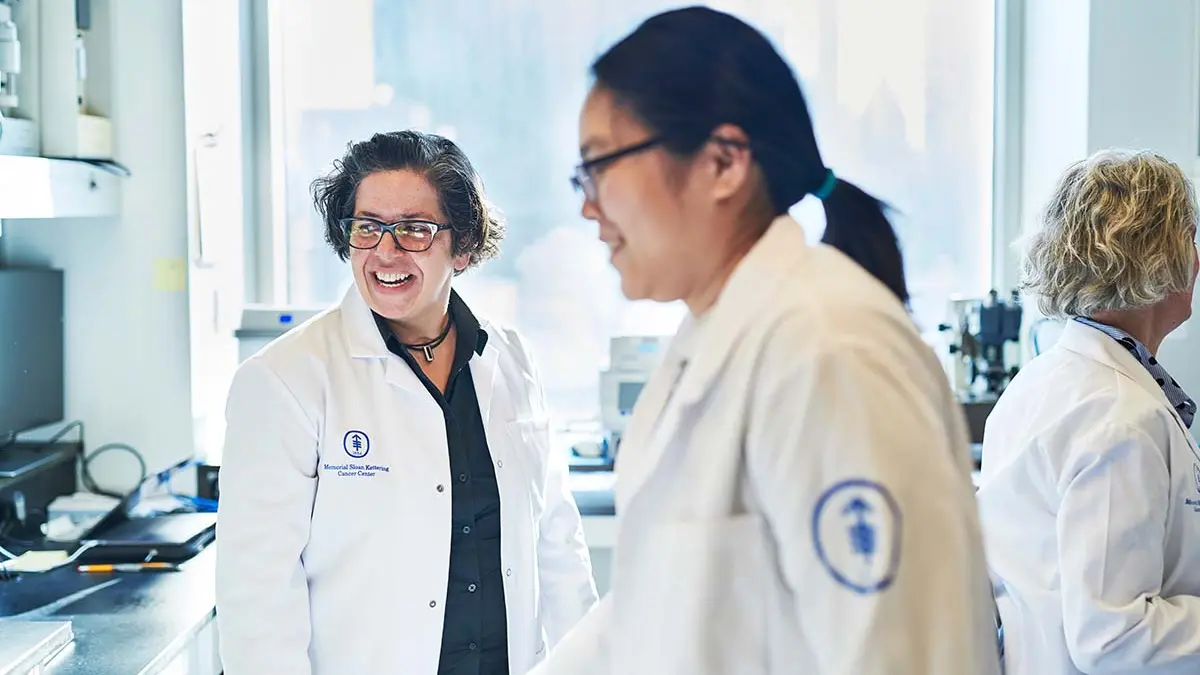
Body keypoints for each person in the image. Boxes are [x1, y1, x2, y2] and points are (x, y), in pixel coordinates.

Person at [532, 7, 1001, 675]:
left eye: (599, 165)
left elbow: (899, 652)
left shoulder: (829, 350)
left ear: (723, 162)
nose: (587, 205)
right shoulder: (713, 341)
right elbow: (647, 617)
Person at [216, 130, 599, 675]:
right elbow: (257, 593)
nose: (385, 252)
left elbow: (557, 542)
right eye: (368, 227)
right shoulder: (285, 380)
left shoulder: (511, 360)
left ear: (462, 246)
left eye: (414, 230)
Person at [976, 149, 1200, 675]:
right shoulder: (1118, 418)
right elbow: (1115, 637)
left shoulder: (1043, 382)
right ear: (1159, 257)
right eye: (1189, 238)